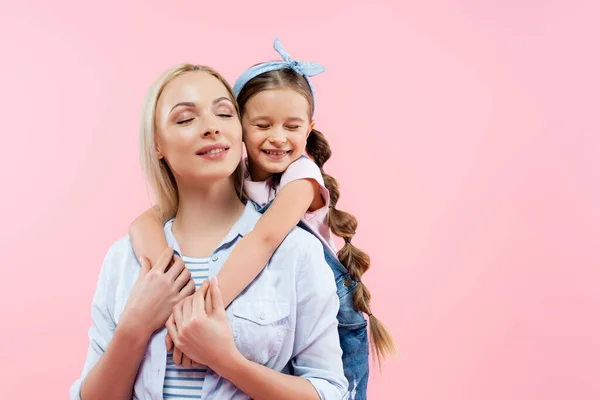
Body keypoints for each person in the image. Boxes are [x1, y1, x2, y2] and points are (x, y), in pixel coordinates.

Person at [130, 39, 395, 399]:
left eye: (292, 126)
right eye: (262, 125)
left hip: (335, 313)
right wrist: (166, 279)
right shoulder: (234, 174)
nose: (278, 138)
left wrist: (201, 307)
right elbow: (147, 220)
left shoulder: (301, 178)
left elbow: (264, 239)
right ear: (239, 125)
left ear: (310, 128)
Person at [70, 63, 348, 400]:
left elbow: (331, 392)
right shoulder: (124, 258)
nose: (211, 128)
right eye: (186, 119)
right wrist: (134, 326)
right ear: (157, 143)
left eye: (224, 114)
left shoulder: (296, 251)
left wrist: (226, 360)